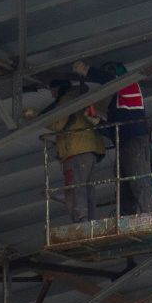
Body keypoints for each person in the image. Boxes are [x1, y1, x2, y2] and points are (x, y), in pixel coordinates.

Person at [86, 60, 152, 217]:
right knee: (125, 186)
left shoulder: (130, 85)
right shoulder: (116, 104)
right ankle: (127, 217)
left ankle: (149, 215)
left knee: (138, 181)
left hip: (135, 141)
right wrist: (97, 122)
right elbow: (114, 131)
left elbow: (110, 80)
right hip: (124, 143)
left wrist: (88, 71)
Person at [48, 73, 105, 223]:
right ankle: (90, 220)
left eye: (52, 91)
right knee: (87, 188)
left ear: (58, 88)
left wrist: (38, 118)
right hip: (90, 150)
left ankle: (81, 219)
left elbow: (58, 123)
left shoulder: (67, 99)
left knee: (75, 187)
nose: (52, 95)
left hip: (76, 150)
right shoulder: (82, 94)